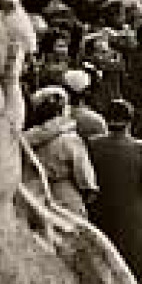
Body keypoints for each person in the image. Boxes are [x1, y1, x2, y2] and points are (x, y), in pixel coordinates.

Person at [86, 99, 142, 284]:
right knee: (133, 268)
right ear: (130, 121)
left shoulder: (94, 144)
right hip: (133, 217)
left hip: (101, 214)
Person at [26, 86, 98, 218]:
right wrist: (89, 190)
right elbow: (83, 174)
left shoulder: (26, 140)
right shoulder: (70, 139)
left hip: (34, 198)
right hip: (66, 198)